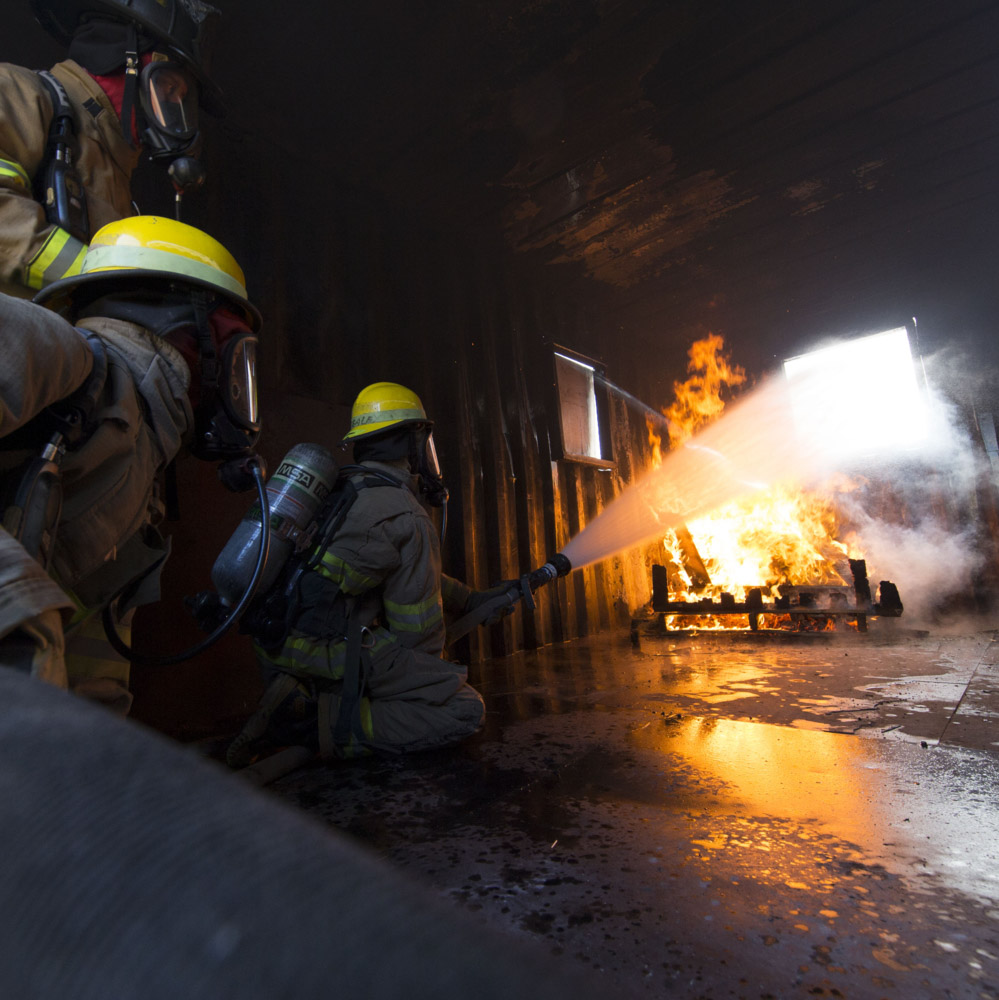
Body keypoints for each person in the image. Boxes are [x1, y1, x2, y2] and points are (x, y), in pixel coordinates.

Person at [0, 214, 262, 712]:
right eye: (239, 361)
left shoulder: (142, 476)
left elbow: (92, 682)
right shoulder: (65, 358)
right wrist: (17, 616)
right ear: (200, 340)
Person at [227, 382, 510, 766]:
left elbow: (395, 571)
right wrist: (427, 676)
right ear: (410, 442)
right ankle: (311, 724)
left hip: (274, 641)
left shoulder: (345, 487)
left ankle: (297, 699)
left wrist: (470, 600)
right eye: (422, 439)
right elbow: (418, 635)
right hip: (317, 651)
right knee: (461, 708)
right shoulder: (407, 514)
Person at [1, 0, 223, 299]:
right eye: (169, 89)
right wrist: (105, 287)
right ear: (122, 63)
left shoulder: (117, 183)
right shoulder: (18, 92)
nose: (173, 108)